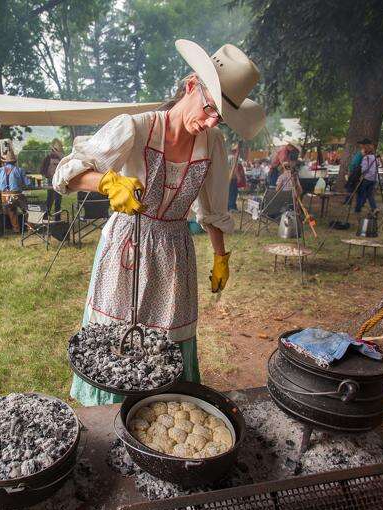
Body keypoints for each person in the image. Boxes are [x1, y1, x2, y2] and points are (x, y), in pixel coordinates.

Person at [53, 39, 265, 406]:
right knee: (116, 337)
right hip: (127, 248)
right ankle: (107, 414)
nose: (213, 121)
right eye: (211, 108)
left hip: (175, 251)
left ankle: (162, 413)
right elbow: (66, 174)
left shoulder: (212, 144)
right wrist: (107, 181)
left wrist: (220, 256)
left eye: (222, 118)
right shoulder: (134, 129)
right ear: (190, 87)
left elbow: (212, 209)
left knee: (168, 339)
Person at [0, 153, 31, 231]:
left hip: (5, 196)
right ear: (14, 162)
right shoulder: (19, 170)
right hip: (16, 195)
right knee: (27, 209)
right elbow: (27, 183)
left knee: (12, 210)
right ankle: (30, 227)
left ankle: (16, 229)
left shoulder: (0, 170)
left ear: (5, 162)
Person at [41, 139, 64, 220]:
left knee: (58, 201)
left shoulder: (62, 158)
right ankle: (45, 218)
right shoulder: (47, 158)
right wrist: (49, 176)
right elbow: (42, 171)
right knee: (49, 201)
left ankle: (57, 219)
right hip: (51, 181)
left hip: (59, 181)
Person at [355, 143, 380, 215]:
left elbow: (364, 169)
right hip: (374, 178)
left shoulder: (366, 158)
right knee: (370, 194)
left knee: (361, 193)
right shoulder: (375, 158)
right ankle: (374, 208)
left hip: (367, 178)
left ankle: (358, 208)